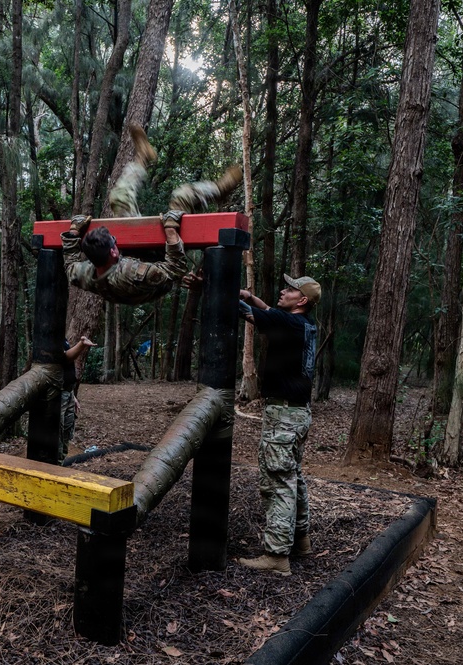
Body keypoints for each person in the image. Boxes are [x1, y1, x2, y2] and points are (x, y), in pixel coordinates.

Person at [62, 123, 242, 306]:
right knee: (182, 197)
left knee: (119, 197)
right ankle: (218, 190)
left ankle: (143, 158)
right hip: (161, 262)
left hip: (129, 261)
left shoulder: (85, 273)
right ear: (113, 251)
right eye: (114, 241)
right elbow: (175, 270)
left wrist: (73, 233)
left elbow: (70, 267)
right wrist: (171, 230)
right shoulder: (134, 272)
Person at [237, 274, 321, 576]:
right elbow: (268, 311)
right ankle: (301, 539)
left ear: (302, 301)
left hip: (283, 417)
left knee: (278, 481)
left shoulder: (288, 323)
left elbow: (248, 314)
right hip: (298, 414)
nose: (283, 291)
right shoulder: (305, 324)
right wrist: (250, 295)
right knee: (293, 476)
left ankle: (276, 554)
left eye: (290, 289)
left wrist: (219, 289)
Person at [59, 335, 97, 463]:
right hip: (57, 394)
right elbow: (65, 358)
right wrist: (82, 344)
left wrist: (72, 396)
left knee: (66, 432)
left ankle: (61, 463)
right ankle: (55, 467)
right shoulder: (49, 338)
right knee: (57, 435)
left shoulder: (62, 337)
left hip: (67, 393)